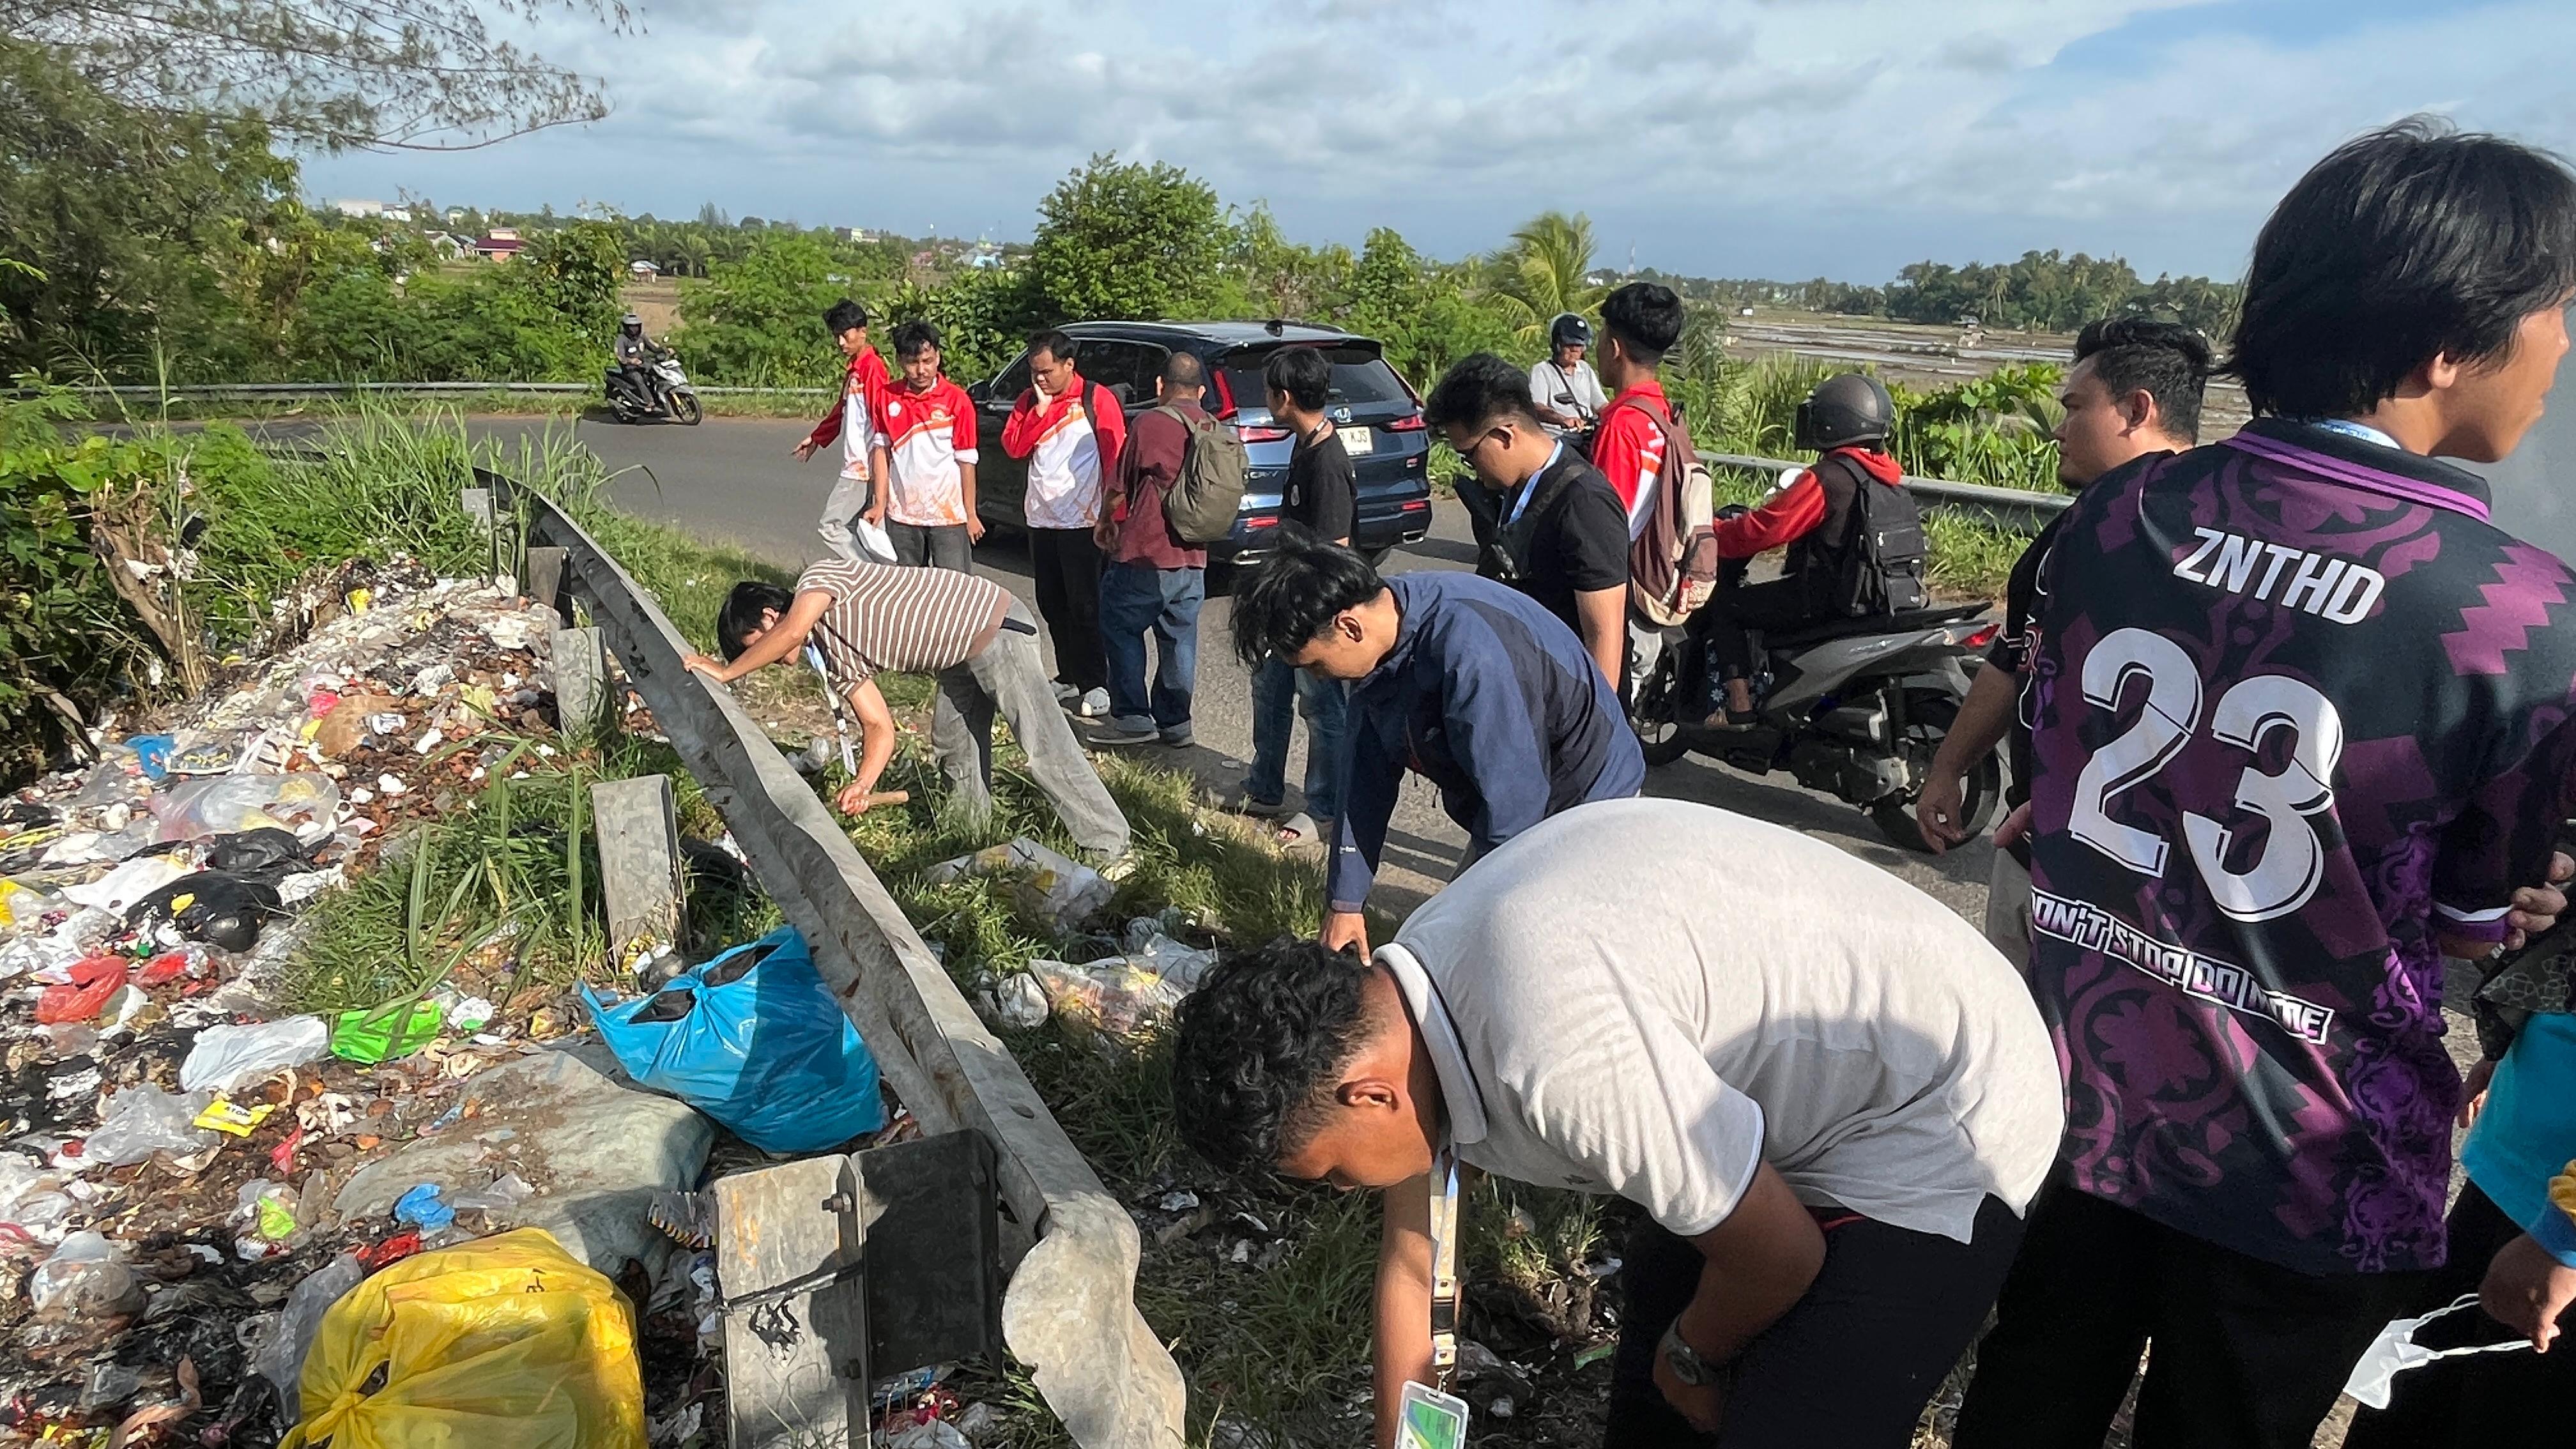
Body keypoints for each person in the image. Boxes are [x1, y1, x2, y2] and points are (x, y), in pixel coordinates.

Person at [1952, 118, 2576, 1449]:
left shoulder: (2116, 517)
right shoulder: (2519, 619)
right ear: (2446, 344)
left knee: (2032, 1387)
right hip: (2309, 1158)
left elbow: (2056, 758)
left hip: (2078, 1089)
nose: (2563, 348)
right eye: (2554, 312)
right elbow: (2470, 918)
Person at [1169, 799, 2065, 1449]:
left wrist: (1696, 1353)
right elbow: (1416, 1266)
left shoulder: (1551, 1049)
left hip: (1946, 1110)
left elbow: (1778, 1257)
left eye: (1330, 1175)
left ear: (1369, 1095)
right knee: (1656, 1353)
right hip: (1807, 1082)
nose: (1345, 1191)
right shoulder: (1400, 1004)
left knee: (1771, 1407)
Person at [1914, 318, 2213, 970]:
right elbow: (2014, 660)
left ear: (2137, 411)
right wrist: (1949, 766)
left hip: (2139, 895)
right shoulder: (2071, 535)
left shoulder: (2213, 552)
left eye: (2076, 408)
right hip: (2035, 848)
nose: (2058, 428)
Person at [1229, 532, 1644, 954]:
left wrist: (1479, 921)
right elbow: (1363, 779)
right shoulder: (1378, 649)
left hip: (1585, 797)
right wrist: (1346, 903)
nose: (1317, 677)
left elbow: (1515, 816)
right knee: (1446, 941)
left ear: (1350, 626)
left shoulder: (1472, 658)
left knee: (1524, 947)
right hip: (1513, 799)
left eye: (1316, 664)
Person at [689, 565, 1129, 862]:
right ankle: (969, 837)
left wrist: (728, 673)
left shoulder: (817, 580)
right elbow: (879, 726)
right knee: (953, 744)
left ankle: (1108, 844)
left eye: (755, 646)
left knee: (1042, 743)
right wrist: (863, 784)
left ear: (769, 617)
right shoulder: (835, 656)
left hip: (994, 627)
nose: (766, 657)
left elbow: (793, 629)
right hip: (957, 654)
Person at [1692, 373, 1915, 724]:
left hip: (1827, 599)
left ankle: (1739, 707)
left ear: (1832, 422)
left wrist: (1715, 532)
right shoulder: (1889, 477)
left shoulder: (1828, 477)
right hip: (1881, 598)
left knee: (1727, 606)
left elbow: (1766, 530)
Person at [1425, 351, 1629, 687]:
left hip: (1570, 708)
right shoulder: (1516, 488)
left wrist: (1594, 733)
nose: (1472, 468)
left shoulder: (1584, 502)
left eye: (1470, 455)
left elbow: (1604, 636)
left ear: (1505, 435)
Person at [1234, 348, 1358, 847]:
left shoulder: (1328, 460)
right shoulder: (1304, 445)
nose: (1266, 401)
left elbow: (1337, 550)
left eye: (1268, 392)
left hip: (1316, 607)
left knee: (1321, 707)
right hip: (1287, 597)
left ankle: (1325, 805)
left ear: (1284, 397)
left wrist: (1313, 617)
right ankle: (1265, 785)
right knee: (1269, 689)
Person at [1000, 328, 1125, 718]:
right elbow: (1014, 448)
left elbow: (1116, 459)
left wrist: (1114, 517)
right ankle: (1069, 673)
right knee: (1051, 603)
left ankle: (1096, 683)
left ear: (1069, 365)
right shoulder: (1029, 402)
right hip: (1041, 520)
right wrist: (1038, 414)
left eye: (1047, 371)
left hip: (1084, 522)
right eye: (1034, 371)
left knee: (1085, 606)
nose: (1040, 379)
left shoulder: (1096, 399)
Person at [1091, 353, 1211, 750]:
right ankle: (1176, 724)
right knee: (1180, 639)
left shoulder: (1148, 423)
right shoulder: (1213, 427)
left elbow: (1119, 486)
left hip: (1145, 552)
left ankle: (1132, 717)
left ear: (1160, 386)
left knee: (1119, 623)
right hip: (1195, 555)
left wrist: (1106, 522)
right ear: (1202, 392)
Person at [868, 321, 983, 573]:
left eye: (928, 361)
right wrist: (879, 503)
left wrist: (970, 513)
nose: (921, 370)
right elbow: (881, 452)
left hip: (949, 516)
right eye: (913, 362)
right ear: (900, 361)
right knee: (908, 588)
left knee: (954, 587)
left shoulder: (958, 401)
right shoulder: (886, 397)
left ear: (938, 357)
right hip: (903, 515)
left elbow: (967, 461)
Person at [795, 300, 893, 563]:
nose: (840, 342)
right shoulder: (855, 371)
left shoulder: (872, 370)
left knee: (831, 526)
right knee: (865, 529)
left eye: (845, 335)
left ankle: (867, 576)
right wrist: (816, 438)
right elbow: (842, 410)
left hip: (862, 468)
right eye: (836, 336)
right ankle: (880, 580)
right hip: (861, 466)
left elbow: (882, 420)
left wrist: (881, 464)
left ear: (863, 331)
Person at [1529, 312, 1608, 435]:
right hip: (1558, 437)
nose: (1576, 350)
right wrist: (1563, 420)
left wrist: (1615, 416)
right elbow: (1538, 407)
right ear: (1558, 345)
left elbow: (1601, 405)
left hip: (1585, 434)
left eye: (1580, 346)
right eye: (1570, 345)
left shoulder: (1585, 369)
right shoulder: (1542, 371)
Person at [610, 312, 662, 413]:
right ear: (626, 327)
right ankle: (649, 402)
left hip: (644, 366)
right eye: (632, 327)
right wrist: (631, 361)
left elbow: (654, 347)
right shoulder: (622, 339)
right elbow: (620, 356)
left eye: (636, 326)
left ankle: (659, 399)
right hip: (629, 369)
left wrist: (665, 350)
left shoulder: (642, 337)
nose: (635, 329)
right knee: (639, 379)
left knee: (655, 376)